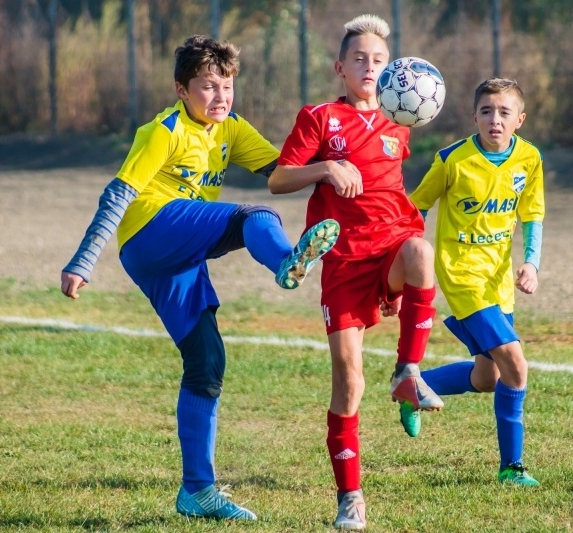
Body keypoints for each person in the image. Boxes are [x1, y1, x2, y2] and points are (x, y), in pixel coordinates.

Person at [60, 35, 339, 522]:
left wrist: (333, 167)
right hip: (150, 232)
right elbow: (118, 195)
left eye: (227, 86)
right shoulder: (163, 131)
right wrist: (84, 260)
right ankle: (285, 263)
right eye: (208, 86)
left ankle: (197, 491)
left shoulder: (232, 128)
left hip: (176, 254)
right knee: (254, 216)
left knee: (207, 361)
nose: (220, 97)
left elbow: (282, 172)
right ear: (181, 90)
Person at [268, 14, 443, 531]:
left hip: (390, 247)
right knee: (348, 382)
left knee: (421, 252)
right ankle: (350, 498)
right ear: (339, 67)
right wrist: (326, 168)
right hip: (343, 262)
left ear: (391, 71)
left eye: (379, 60)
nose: (370, 67)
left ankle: (408, 371)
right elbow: (278, 180)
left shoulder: (399, 121)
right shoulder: (320, 117)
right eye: (360, 58)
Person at [408, 78, 544, 487]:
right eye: (486, 111)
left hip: (498, 279)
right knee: (515, 364)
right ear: (474, 117)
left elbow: (532, 215)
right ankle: (511, 467)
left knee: (488, 379)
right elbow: (416, 207)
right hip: (461, 274)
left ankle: (415, 386)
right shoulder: (452, 159)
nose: (494, 120)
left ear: (520, 119)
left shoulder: (529, 158)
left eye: (504, 112)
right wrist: (405, 263)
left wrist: (531, 263)